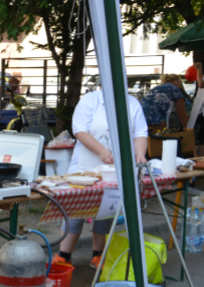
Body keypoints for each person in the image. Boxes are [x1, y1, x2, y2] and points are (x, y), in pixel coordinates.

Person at [52, 90, 148, 268]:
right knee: (74, 208)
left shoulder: (132, 103)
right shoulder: (90, 100)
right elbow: (80, 130)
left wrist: (140, 155)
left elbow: (139, 133)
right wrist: (102, 151)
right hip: (84, 166)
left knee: (107, 206)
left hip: (114, 167)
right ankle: (64, 255)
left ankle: (98, 255)